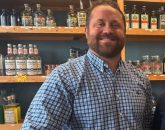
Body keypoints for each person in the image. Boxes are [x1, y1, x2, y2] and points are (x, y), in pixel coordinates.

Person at [22, 1, 152, 129]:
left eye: (115, 25)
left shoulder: (140, 78)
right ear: (86, 32)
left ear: (124, 33)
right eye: (100, 24)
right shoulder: (64, 77)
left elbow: (147, 126)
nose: (107, 30)